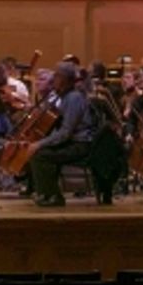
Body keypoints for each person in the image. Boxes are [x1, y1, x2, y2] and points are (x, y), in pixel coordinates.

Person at [28, 62, 99, 207]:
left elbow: (65, 132)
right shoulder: (65, 97)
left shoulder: (74, 98)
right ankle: (45, 193)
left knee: (41, 155)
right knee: (40, 152)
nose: (53, 80)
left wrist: (40, 144)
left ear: (65, 79)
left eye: (57, 76)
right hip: (73, 142)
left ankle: (54, 196)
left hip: (81, 145)